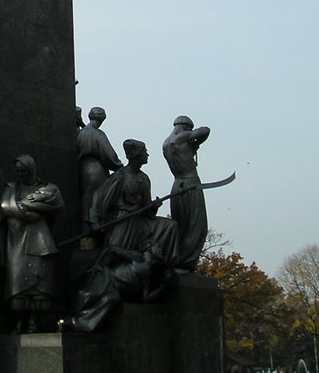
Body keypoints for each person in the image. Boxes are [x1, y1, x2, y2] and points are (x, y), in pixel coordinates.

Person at [0, 155, 64, 333]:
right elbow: (4, 206)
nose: (20, 174)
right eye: (17, 171)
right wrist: (26, 213)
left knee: (39, 282)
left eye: (23, 171)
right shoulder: (12, 187)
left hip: (40, 241)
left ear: (31, 169)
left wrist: (29, 206)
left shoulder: (47, 188)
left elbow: (57, 206)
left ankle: (33, 321)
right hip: (16, 243)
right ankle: (19, 321)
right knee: (17, 281)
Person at [90, 139, 179, 269]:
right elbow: (100, 200)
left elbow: (146, 208)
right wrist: (96, 222)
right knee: (114, 252)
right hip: (122, 219)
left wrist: (154, 206)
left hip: (140, 220)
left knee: (170, 225)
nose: (147, 155)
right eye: (145, 152)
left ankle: (167, 268)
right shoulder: (120, 176)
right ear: (136, 155)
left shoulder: (144, 178)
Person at [58, 243, 166, 333]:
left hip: (113, 288)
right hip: (105, 276)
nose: (161, 250)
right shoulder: (137, 257)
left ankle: (75, 323)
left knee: (111, 298)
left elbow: (146, 297)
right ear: (148, 248)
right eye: (158, 247)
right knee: (89, 295)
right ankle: (67, 316)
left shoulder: (148, 276)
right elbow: (111, 248)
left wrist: (162, 286)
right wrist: (97, 264)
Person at [162, 116, 211, 271]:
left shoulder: (166, 143)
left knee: (181, 226)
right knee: (197, 226)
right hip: (191, 183)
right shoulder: (182, 137)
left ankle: (176, 259)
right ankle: (185, 262)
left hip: (177, 185)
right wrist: (195, 142)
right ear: (185, 126)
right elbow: (205, 130)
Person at [76, 107, 124, 234]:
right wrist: (119, 166)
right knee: (97, 196)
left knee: (87, 196)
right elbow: (109, 154)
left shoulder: (82, 132)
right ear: (102, 119)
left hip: (83, 166)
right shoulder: (98, 133)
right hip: (96, 167)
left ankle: (85, 224)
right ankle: (94, 223)